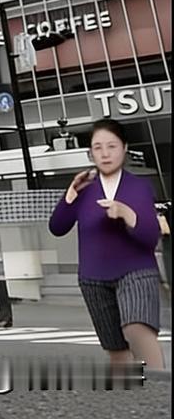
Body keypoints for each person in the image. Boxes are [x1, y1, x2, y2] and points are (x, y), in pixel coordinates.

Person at [49, 118, 164, 371]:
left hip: (136, 272)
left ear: (124, 148)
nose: (105, 153)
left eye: (111, 146)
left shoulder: (139, 186)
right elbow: (57, 227)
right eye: (98, 147)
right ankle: (129, 405)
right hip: (93, 278)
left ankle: (161, 395)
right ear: (90, 153)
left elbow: (150, 237)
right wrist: (70, 194)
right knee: (116, 352)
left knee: (137, 331)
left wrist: (126, 214)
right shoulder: (85, 188)